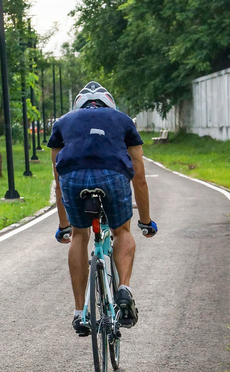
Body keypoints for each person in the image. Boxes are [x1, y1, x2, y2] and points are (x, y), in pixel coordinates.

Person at [47, 81, 157, 336]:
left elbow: (58, 182)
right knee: (121, 232)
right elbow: (139, 178)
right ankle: (124, 289)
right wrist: (146, 221)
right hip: (113, 176)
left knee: (79, 235)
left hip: (73, 179)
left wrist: (64, 227)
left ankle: (80, 313)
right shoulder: (123, 120)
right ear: (110, 104)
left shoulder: (62, 123)